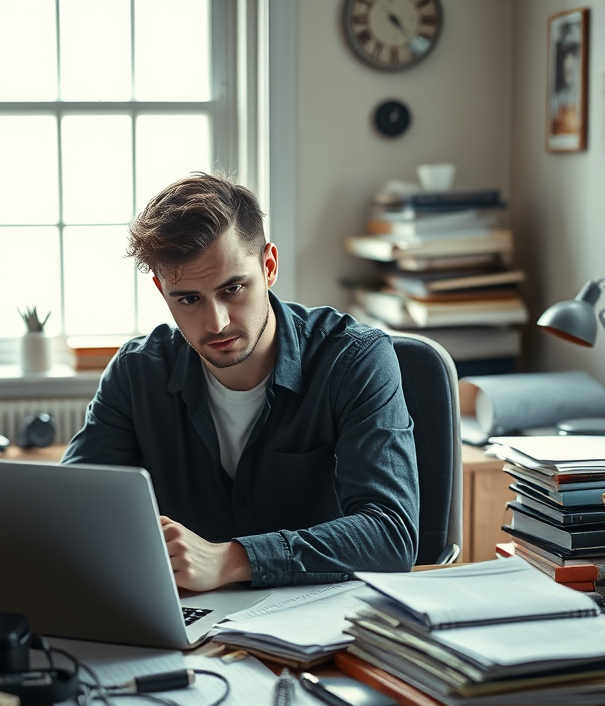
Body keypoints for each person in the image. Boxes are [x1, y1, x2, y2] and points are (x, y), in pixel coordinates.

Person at [61, 173, 420, 592]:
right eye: (188, 299)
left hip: (324, 621)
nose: (216, 322)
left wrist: (232, 560)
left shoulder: (354, 360)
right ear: (162, 290)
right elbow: (74, 511)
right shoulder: (137, 372)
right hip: (194, 625)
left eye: (232, 288)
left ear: (268, 266)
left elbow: (391, 535)